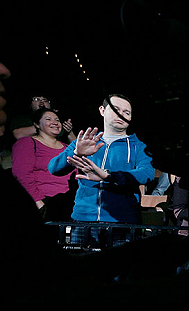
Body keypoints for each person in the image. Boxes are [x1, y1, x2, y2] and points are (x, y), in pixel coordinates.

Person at [48, 94, 155, 247]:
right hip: (83, 219)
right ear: (102, 110)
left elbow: (147, 173)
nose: (121, 115)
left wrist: (108, 176)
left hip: (122, 221)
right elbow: (54, 168)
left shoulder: (138, 145)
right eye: (116, 109)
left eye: (127, 112)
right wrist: (76, 152)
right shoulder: (86, 140)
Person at [11, 107, 74, 221]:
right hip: (44, 201)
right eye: (48, 119)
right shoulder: (27, 143)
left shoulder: (67, 148)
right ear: (37, 124)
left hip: (69, 203)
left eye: (57, 120)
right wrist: (38, 202)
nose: (55, 122)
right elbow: (22, 174)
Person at [10, 94, 76, 143]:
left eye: (45, 100)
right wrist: (44, 127)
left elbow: (75, 145)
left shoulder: (58, 121)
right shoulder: (22, 118)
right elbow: (18, 134)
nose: (41, 102)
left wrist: (69, 132)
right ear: (30, 104)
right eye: (36, 99)